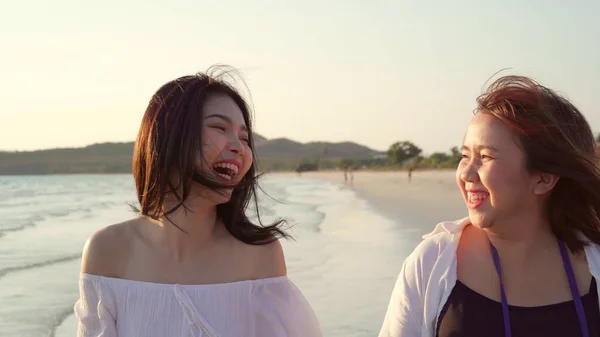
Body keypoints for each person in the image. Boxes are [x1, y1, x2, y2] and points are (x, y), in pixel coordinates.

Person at [74, 67, 322, 337]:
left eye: (244, 138)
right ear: (169, 135)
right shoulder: (108, 251)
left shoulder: (260, 255)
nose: (239, 147)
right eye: (219, 127)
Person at [378, 75, 600, 337]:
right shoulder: (433, 264)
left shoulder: (594, 261)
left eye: (485, 157)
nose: (466, 174)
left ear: (543, 178)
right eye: (465, 156)